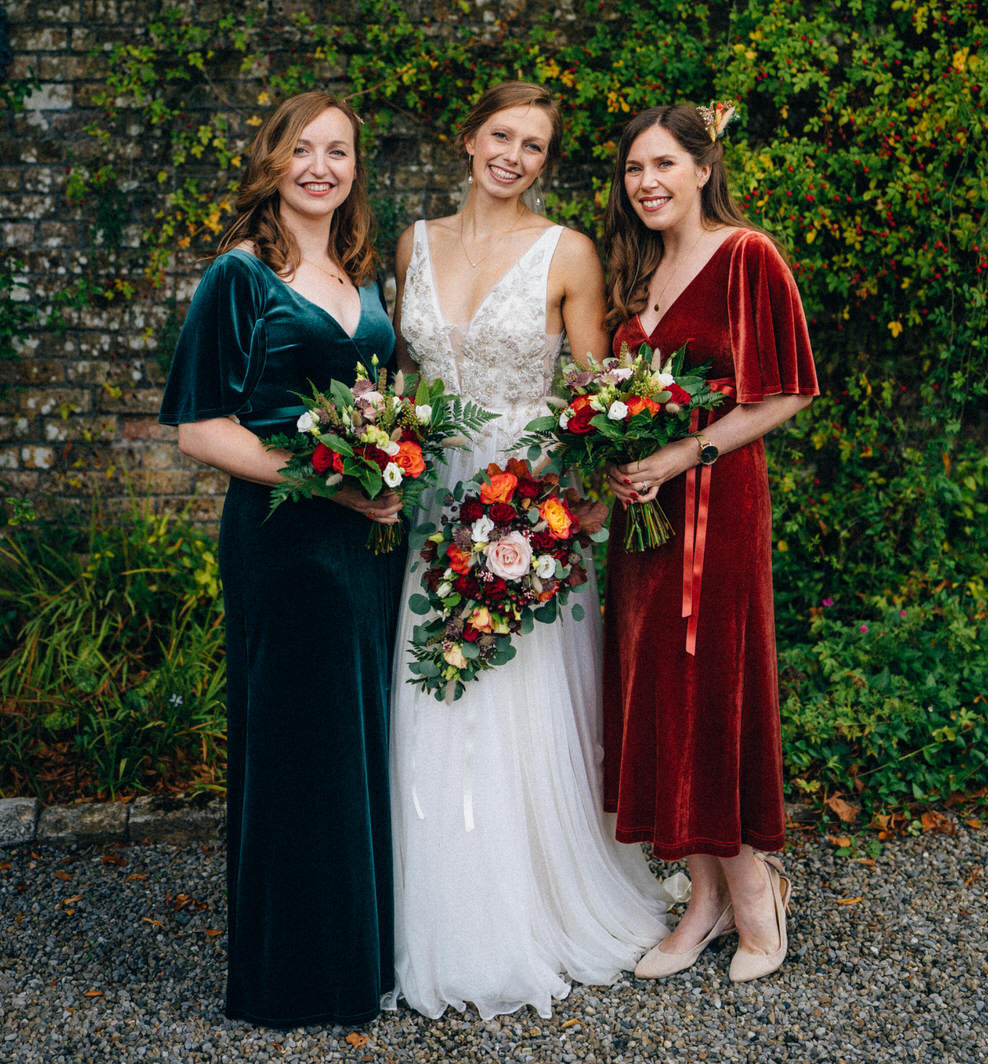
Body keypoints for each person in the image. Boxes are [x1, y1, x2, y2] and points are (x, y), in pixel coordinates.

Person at [387, 80, 670, 1019]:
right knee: (434, 689)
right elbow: (403, 379)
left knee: (515, 700)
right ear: (466, 139)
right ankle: (435, 913)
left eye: (536, 146)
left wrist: (568, 507)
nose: (514, 155)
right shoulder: (411, 244)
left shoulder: (569, 253)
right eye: (502, 135)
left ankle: (532, 907)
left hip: (526, 505)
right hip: (431, 503)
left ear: (546, 164)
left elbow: (591, 397)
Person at [158, 91, 405, 1028]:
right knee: (296, 748)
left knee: (354, 746)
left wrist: (385, 466)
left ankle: (356, 962)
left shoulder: (358, 272)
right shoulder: (241, 276)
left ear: (354, 171)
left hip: (365, 545)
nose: (320, 167)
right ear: (273, 160)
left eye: (337, 152)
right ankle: (291, 979)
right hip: (284, 542)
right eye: (302, 149)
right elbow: (199, 429)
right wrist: (331, 486)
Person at [602, 102, 818, 985]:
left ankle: (754, 889)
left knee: (715, 687)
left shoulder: (746, 257)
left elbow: (787, 393)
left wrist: (681, 455)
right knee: (654, 688)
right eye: (632, 170)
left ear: (701, 167)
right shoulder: (636, 269)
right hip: (641, 521)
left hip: (716, 509)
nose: (647, 183)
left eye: (663, 165)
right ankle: (702, 895)